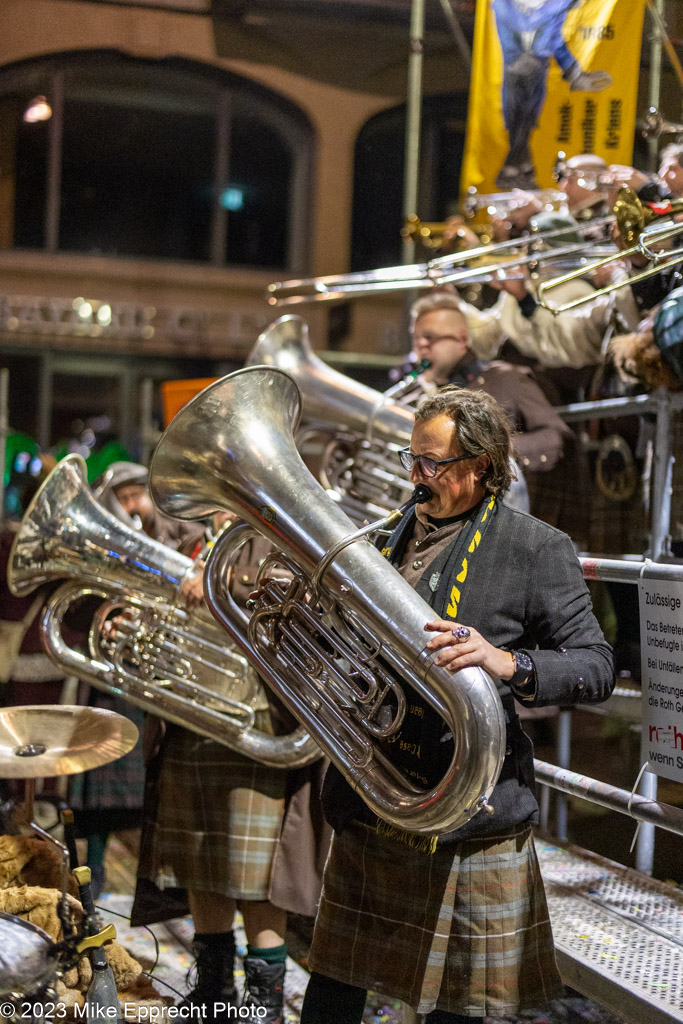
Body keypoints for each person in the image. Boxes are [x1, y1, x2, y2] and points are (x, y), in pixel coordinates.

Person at [300, 387, 615, 1024]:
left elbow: (597, 667)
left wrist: (510, 662)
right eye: (411, 459)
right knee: (331, 998)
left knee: (460, 1013)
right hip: (376, 797)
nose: (415, 478)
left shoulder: (536, 547)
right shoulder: (381, 538)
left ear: (481, 467)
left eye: (432, 464)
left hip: (471, 813)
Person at [131, 516, 331, 1024]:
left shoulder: (281, 531)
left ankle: (264, 1003)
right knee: (202, 862)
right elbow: (138, 595)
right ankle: (214, 991)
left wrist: (222, 586)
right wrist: (123, 616)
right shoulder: (186, 536)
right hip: (188, 720)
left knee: (258, 875)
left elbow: (307, 609)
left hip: (254, 727)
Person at [491, 1, 611, 190]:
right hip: (515, 72)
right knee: (516, 120)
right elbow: (521, 24)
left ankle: (518, 168)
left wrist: (575, 73)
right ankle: (514, 168)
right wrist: (556, 7)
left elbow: (555, 40)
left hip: (537, 73)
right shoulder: (505, 4)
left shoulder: (553, 7)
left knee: (528, 120)